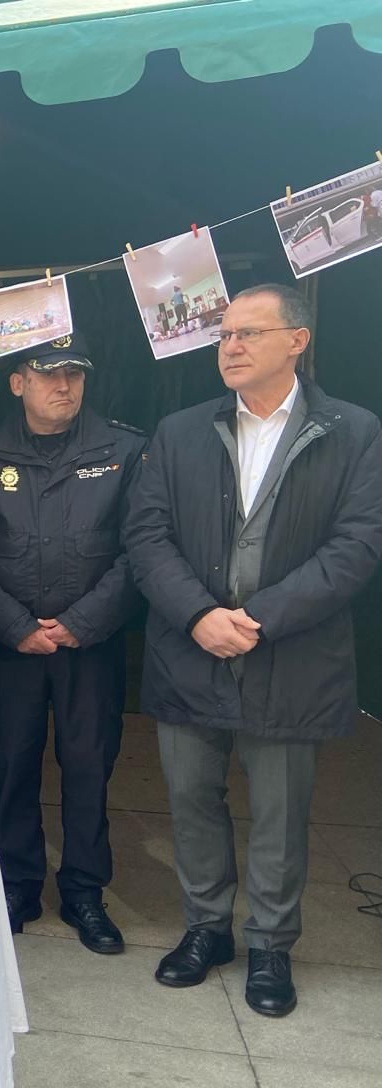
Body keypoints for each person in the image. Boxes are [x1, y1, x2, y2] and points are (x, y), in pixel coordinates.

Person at [125, 284, 382, 1017]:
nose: (229, 347)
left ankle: (270, 944)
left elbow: (358, 546)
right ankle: (207, 930)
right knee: (191, 800)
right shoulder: (178, 431)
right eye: (223, 335)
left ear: (297, 341)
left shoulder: (354, 431)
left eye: (247, 333)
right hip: (190, 649)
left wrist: (259, 617)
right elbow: (146, 536)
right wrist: (200, 613)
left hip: (291, 658)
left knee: (279, 811)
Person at [0, 334, 146, 951]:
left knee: (88, 765)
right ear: (18, 382)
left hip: (88, 646)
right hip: (15, 646)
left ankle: (86, 892)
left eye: (74, 375)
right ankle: (16, 883)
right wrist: (14, 627)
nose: (63, 386)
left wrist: (83, 623)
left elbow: (139, 549)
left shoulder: (124, 449)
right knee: (11, 763)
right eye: (47, 374)